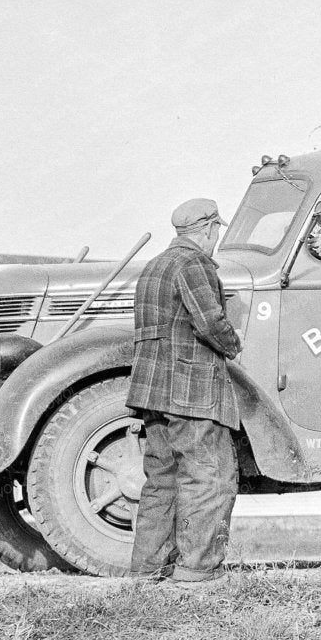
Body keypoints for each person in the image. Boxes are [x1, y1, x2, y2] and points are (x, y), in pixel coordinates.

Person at [126, 197, 245, 584]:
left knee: (161, 479)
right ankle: (198, 569)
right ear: (209, 229)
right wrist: (234, 346)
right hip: (190, 391)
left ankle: (148, 570)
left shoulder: (153, 266)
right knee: (208, 475)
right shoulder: (193, 263)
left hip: (151, 392)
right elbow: (209, 322)